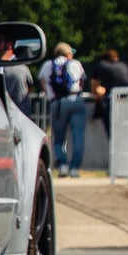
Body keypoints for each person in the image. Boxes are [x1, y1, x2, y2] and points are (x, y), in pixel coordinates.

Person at [42, 42, 88, 177]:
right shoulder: (75, 63)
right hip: (75, 100)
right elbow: (82, 81)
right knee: (78, 135)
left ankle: (62, 165)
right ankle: (74, 168)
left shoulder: (48, 65)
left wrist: (50, 95)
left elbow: (43, 81)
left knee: (59, 138)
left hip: (57, 103)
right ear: (67, 54)